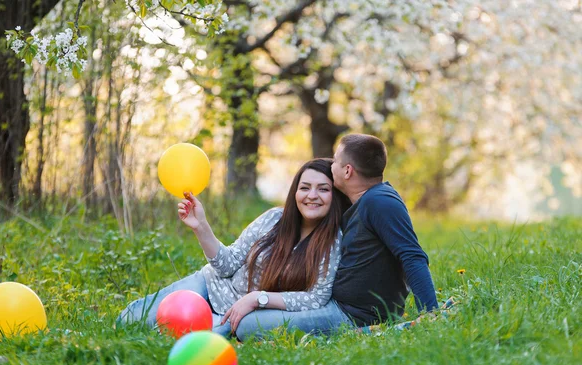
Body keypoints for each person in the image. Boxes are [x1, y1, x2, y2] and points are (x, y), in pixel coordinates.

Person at [234, 134, 438, 340]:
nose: (331, 166)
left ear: (347, 171)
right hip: (338, 306)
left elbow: (412, 256)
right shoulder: (366, 202)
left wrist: (430, 312)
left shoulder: (380, 202)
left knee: (247, 326)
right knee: (251, 316)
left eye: (335, 161)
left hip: (350, 316)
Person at [117, 158, 350, 336]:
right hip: (209, 286)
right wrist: (201, 226)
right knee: (129, 321)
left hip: (237, 314)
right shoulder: (273, 218)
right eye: (305, 187)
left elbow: (316, 298)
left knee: (176, 338)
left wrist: (258, 299)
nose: (312, 196)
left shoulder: (333, 241)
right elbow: (227, 264)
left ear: (335, 196)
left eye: (323, 189)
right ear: (295, 192)